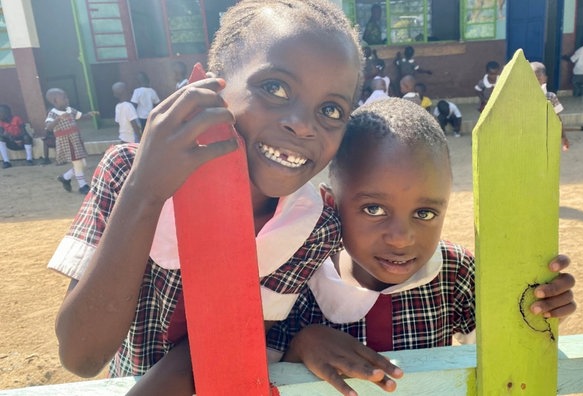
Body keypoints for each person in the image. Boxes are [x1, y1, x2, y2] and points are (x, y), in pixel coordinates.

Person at [47, 1, 362, 394]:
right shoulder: (127, 170)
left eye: (331, 110)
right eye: (275, 88)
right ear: (214, 87)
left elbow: (216, 346)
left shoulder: (312, 224)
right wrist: (146, 192)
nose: (301, 124)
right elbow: (81, 356)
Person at [266, 98, 576, 395]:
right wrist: (302, 346)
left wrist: (538, 309)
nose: (401, 238)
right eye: (374, 209)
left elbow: (502, 352)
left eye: (424, 213)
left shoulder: (455, 272)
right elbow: (262, 378)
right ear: (331, 204)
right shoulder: (299, 278)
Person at [44, 88, 99, 195]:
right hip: (67, 142)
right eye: (63, 98)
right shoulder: (53, 113)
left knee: (82, 163)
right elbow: (48, 127)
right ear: (55, 101)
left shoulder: (69, 109)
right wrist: (59, 119)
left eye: (66, 97)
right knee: (78, 162)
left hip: (76, 140)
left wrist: (90, 114)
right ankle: (83, 186)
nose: (67, 100)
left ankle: (65, 177)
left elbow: (80, 116)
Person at [531, 62, 570, 151]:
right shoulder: (524, 97)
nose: (534, 82)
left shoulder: (550, 97)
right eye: (531, 79)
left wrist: (563, 137)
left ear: (544, 79)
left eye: (537, 79)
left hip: (545, 136)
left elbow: (558, 118)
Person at [130, 72, 160, 137]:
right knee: (149, 133)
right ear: (147, 81)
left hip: (140, 117)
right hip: (150, 117)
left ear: (138, 82)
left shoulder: (137, 91)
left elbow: (133, 105)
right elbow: (157, 104)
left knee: (143, 134)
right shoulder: (152, 91)